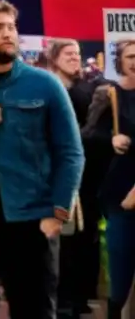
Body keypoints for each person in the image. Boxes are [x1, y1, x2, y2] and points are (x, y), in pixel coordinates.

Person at [0, 0, 84, 319]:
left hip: (32, 221)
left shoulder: (45, 84)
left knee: (36, 311)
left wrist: (57, 214)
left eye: (12, 27)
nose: (8, 34)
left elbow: (71, 152)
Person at [46, 38, 106, 317]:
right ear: (54, 57)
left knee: (84, 239)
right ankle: (62, 300)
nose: (74, 58)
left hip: (87, 178)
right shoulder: (48, 88)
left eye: (78, 54)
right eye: (68, 53)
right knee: (62, 241)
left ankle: (79, 297)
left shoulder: (88, 90)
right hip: (55, 178)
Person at [91, 38, 135, 319]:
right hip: (119, 195)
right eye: (130, 56)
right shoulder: (110, 94)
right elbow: (86, 135)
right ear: (120, 61)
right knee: (120, 274)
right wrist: (111, 139)